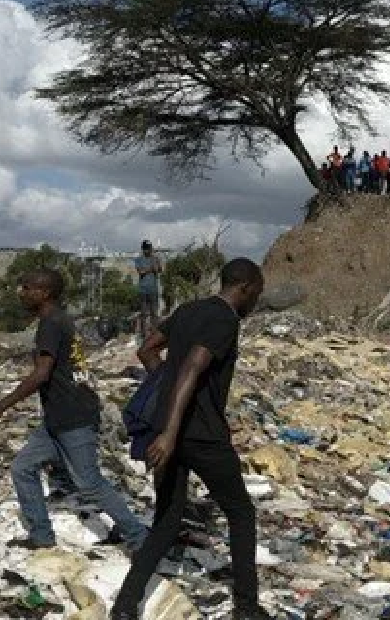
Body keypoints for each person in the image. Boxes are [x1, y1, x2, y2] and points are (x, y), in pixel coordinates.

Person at [111, 259, 270, 620]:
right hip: (201, 436)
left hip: (169, 434)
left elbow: (147, 350)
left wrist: (165, 396)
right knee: (241, 513)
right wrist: (170, 432)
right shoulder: (225, 319)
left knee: (166, 521)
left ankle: (124, 607)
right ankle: (246, 609)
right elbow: (193, 367)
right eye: (256, 294)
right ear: (244, 288)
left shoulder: (187, 310)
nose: (256, 302)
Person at [0, 268, 148, 551]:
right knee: (23, 468)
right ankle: (41, 536)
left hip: (73, 416)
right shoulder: (59, 319)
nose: (21, 292)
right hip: (58, 416)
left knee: (89, 483)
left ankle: (139, 539)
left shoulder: (52, 323)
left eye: (27, 287)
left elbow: (42, 373)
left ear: (44, 293)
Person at [134, 240, 162, 338]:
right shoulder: (138, 259)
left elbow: (159, 269)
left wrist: (153, 268)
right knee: (144, 313)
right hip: (143, 290)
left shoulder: (155, 258)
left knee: (154, 312)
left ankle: (155, 333)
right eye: (146, 249)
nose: (148, 250)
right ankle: (143, 334)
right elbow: (140, 272)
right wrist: (151, 268)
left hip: (153, 290)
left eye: (149, 248)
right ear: (143, 249)